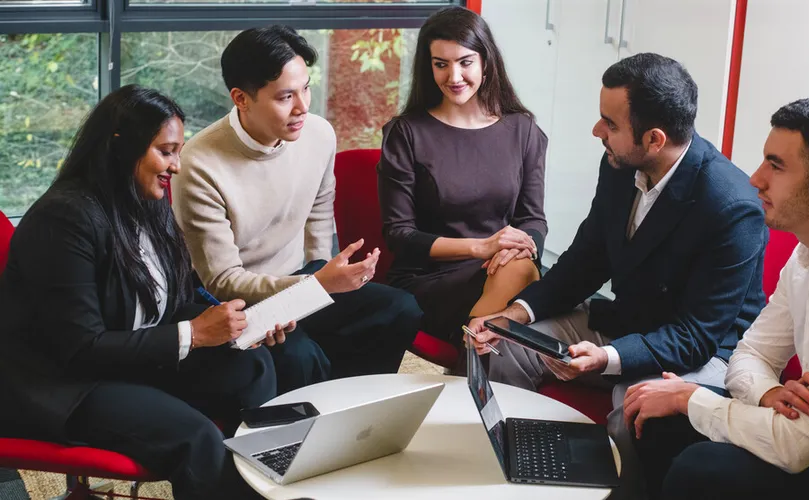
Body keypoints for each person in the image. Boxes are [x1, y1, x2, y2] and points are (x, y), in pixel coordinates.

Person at [468, 53, 767, 495]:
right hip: (628, 319)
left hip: (700, 353)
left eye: (609, 122)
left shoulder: (730, 206)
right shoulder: (620, 165)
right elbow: (585, 260)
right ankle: (518, 472)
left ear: (653, 138)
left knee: (632, 410)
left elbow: (697, 335)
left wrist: (606, 358)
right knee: (504, 346)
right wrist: (515, 314)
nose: (596, 131)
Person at [624, 96, 809, 500]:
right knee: (657, 416)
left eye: (776, 165)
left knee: (702, 467)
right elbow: (749, 357)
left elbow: (794, 447)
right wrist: (767, 393)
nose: (756, 178)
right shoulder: (806, 254)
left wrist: (690, 397)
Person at [0, 85, 278, 500]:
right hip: (63, 386)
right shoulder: (64, 218)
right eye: (166, 152)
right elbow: (78, 348)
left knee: (252, 365)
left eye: (179, 151)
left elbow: (167, 303)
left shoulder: (146, 202)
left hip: (125, 360)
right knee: (196, 437)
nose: (177, 167)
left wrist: (241, 322)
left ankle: (259, 489)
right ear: (121, 148)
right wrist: (195, 334)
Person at [172, 25, 421, 394]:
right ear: (241, 98)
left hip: (303, 277)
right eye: (286, 96)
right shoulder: (199, 164)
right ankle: (307, 432)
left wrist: (319, 276)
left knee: (400, 309)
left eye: (306, 87)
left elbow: (320, 210)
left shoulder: (318, 134)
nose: (303, 107)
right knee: (300, 358)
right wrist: (316, 286)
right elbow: (222, 281)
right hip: (237, 300)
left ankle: (350, 405)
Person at [378, 6, 546, 346]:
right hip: (429, 277)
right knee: (523, 290)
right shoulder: (406, 132)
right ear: (429, 68)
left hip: (501, 267)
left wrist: (514, 250)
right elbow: (399, 234)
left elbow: (533, 219)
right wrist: (481, 247)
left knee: (524, 272)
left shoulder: (523, 129)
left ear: (486, 63)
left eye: (465, 62)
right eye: (441, 64)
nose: (454, 77)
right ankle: (476, 366)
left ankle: (473, 354)